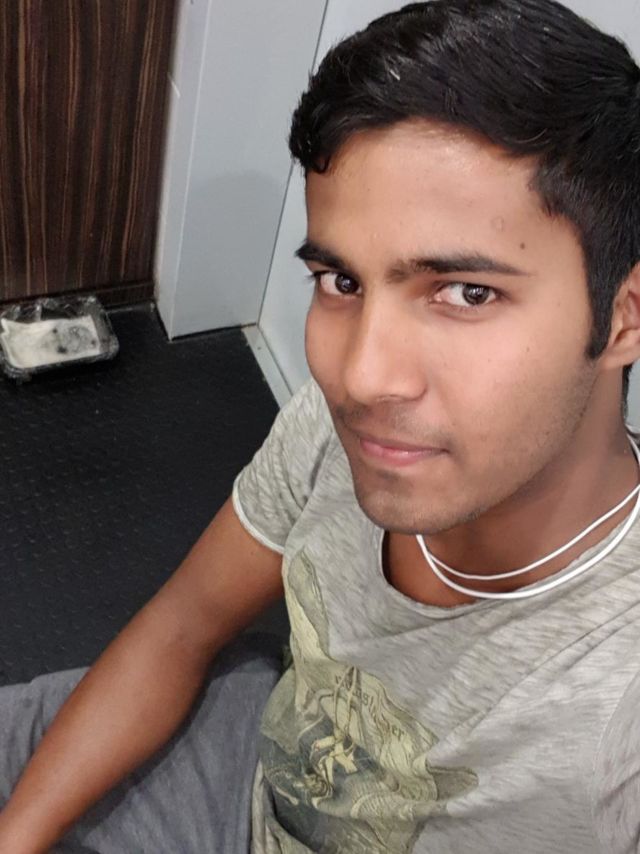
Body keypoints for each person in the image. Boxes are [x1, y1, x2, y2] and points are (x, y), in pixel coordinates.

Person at [1, 0, 640, 851]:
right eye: (342, 282)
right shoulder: (340, 433)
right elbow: (184, 623)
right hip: (253, 766)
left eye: (466, 292)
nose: (361, 379)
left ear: (625, 315)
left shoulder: (615, 719)